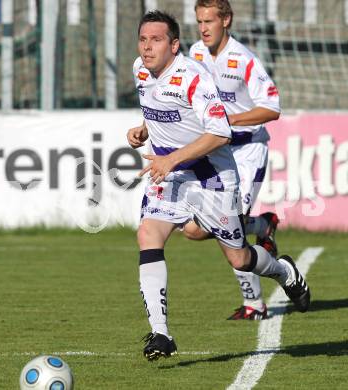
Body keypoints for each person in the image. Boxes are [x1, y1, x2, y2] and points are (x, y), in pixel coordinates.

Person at [128, 10, 310, 361]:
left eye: (156, 40)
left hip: (211, 176)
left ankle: (283, 269)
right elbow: (161, 110)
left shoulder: (193, 77)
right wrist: (142, 131)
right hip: (171, 173)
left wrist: (172, 159)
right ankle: (161, 334)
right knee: (148, 234)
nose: (147, 47)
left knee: (240, 259)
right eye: (143, 39)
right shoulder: (140, 69)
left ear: (174, 45)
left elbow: (219, 132)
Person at [183, 0, 281, 320]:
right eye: (199, 21)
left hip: (248, 149)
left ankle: (254, 304)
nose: (203, 28)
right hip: (219, 150)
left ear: (226, 20)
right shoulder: (194, 54)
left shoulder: (243, 59)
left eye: (209, 21)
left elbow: (271, 107)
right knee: (193, 230)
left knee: (233, 225)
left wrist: (230, 119)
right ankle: (263, 225)